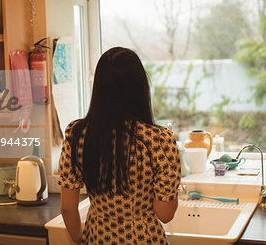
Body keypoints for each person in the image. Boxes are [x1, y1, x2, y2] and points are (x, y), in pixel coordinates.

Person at [58, 47, 181, 244]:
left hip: (98, 237)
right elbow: (165, 213)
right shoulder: (158, 140)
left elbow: (67, 208)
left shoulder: (76, 134)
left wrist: (79, 237)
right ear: (140, 88)